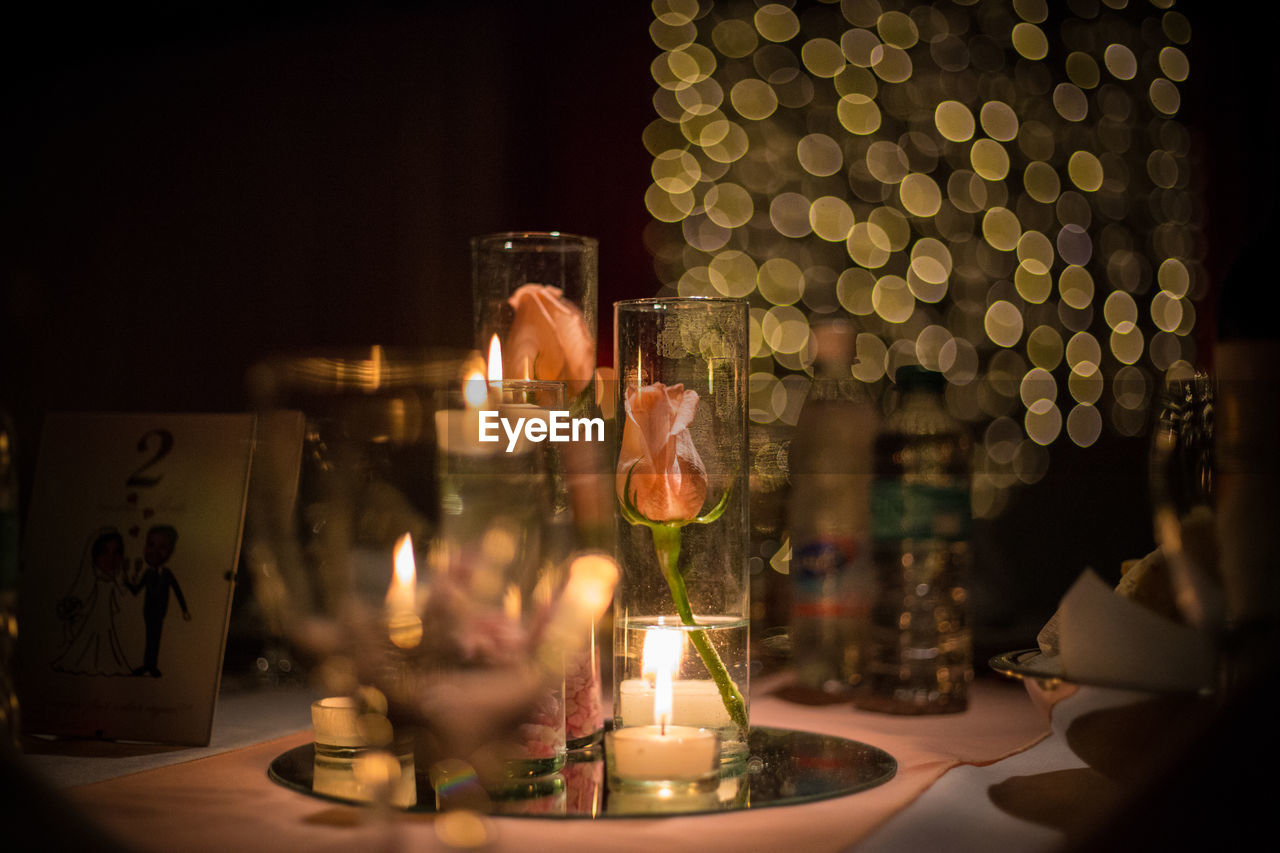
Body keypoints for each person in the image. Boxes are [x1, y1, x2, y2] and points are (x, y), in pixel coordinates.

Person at [52, 528, 132, 676]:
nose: (111, 558)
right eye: (105, 552)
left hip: (107, 616)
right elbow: (91, 600)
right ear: (94, 556)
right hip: (96, 615)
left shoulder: (114, 580)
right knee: (91, 637)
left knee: (107, 637)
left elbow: (122, 595)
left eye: (116, 552)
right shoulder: (98, 581)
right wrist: (79, 612)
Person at [126, 525, 190, 677]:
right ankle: (148, 665)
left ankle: (151, 665)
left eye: (162, 546)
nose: (155, 551)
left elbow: (178, 591)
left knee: (155, 638)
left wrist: (184, 609)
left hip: (160, 612)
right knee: (150, 637)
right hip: (148, 611)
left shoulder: (167, 574)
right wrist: (127, 583)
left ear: (171, 551)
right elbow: (137, 590)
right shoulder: (147, 573)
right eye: (151, 545)